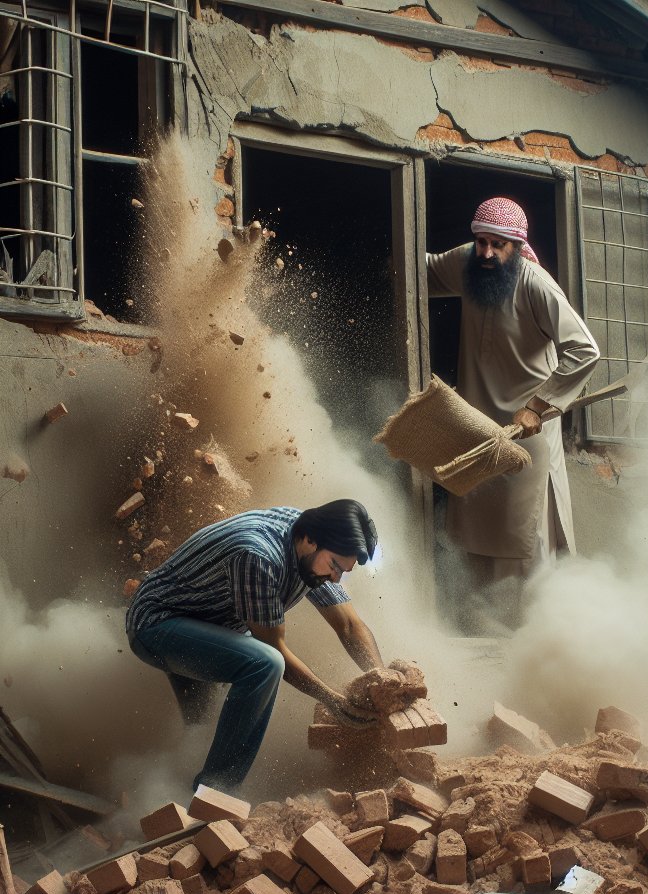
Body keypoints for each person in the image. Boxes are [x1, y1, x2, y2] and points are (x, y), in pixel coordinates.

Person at [126, 500, 384, 791]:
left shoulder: (312, 543)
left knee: (202, 724)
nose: (336, 578)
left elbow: (349, 625)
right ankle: (214, 792)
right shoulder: (259, 555)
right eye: (335, 565)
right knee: (265, 664)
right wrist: (332, 700)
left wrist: (383, 680)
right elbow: (274, 649)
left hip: (213, 626)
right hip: (156, 624)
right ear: (310, 540)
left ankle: (173, 794)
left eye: (343, 571)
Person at [427, 197, 600, 594]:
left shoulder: (536, 284)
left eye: (498, 245)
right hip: (479, 429)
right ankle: (484, 626)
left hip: (527, 431)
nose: (486, 252)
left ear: (517, 246)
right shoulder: (468, 262)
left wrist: (537, 406)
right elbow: (424, 268)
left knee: (525, 535)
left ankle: (532, 635)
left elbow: (586, 349)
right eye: (481, 242)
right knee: (474, 531)